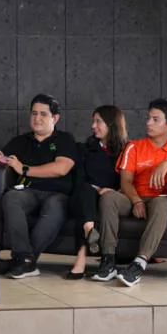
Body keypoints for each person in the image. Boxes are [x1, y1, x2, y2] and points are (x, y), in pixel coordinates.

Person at [93, 98, 167, 286]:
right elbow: (125, 182)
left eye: (155, 119)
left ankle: (139, 263)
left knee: (163, 203)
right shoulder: (135, 147)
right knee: (109, 197)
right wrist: (137, 201)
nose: (148, 123)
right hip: (133, 198)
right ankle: (108, 260)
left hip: (158, 200)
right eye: (148, 118)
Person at [0, 94, 76, 279]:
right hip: (27, 192)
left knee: (55, 207)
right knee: (11, 197)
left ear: (55, 118)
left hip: (57, 193)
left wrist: (24, 169)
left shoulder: (64, 139)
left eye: (43, 114)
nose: (37, 118)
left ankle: (22, 261)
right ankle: (25, 259)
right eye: (34, 113)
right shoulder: (20, 141)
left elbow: (62, 168)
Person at [65, 106, 128, 279]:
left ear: (111, 124)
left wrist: (113, 191)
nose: (93, 126)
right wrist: (99, 189)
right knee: (85, 192)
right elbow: (79, 180)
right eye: (93, 121)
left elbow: (129, 181)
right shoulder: (85, 149)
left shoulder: (127, 150)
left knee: (89, 205)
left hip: (112, 199)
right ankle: (89, 228)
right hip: (85, 196)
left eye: (98, 122)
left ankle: (82, 257)